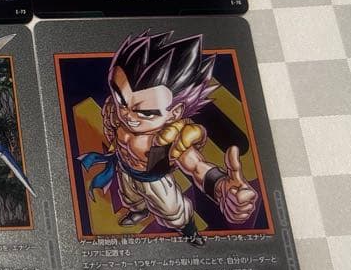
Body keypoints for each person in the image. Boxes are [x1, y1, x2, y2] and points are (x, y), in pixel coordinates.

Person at [80, 31, 259, 246]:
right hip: (124, 169)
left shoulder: (170, 137)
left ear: (174, 113)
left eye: (145, 112)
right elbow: (115, 127)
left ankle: (188, 230)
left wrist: (221, 187)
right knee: (131, 198)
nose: (127, 114)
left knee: (173, 212)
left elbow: (196, 166)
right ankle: (138, 211)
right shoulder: (114, 109)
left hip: (155, 180)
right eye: (121, 99)